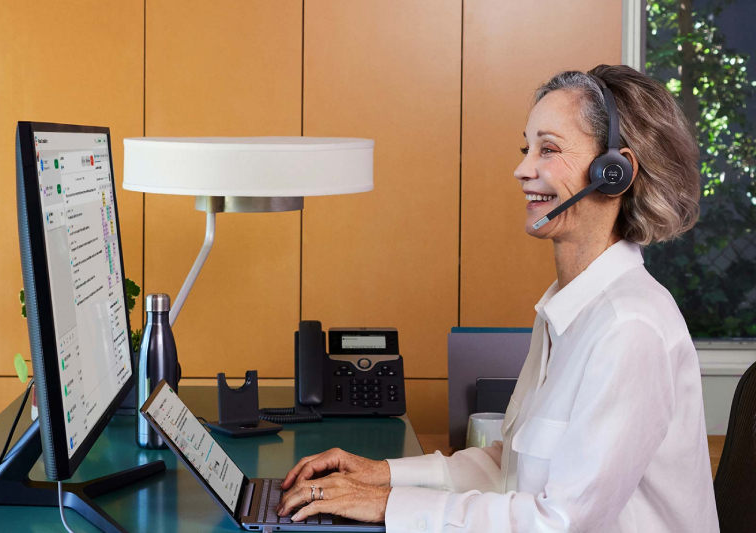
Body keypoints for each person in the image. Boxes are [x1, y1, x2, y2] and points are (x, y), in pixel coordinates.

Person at [275, 64, 719, 532]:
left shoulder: (630, 327)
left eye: (548, 149)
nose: (522, 169)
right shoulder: (565, 312)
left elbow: (561, 522)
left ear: (614, 173)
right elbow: (509, 466)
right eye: (527, 149)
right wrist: (381, 475)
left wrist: (388, 505)